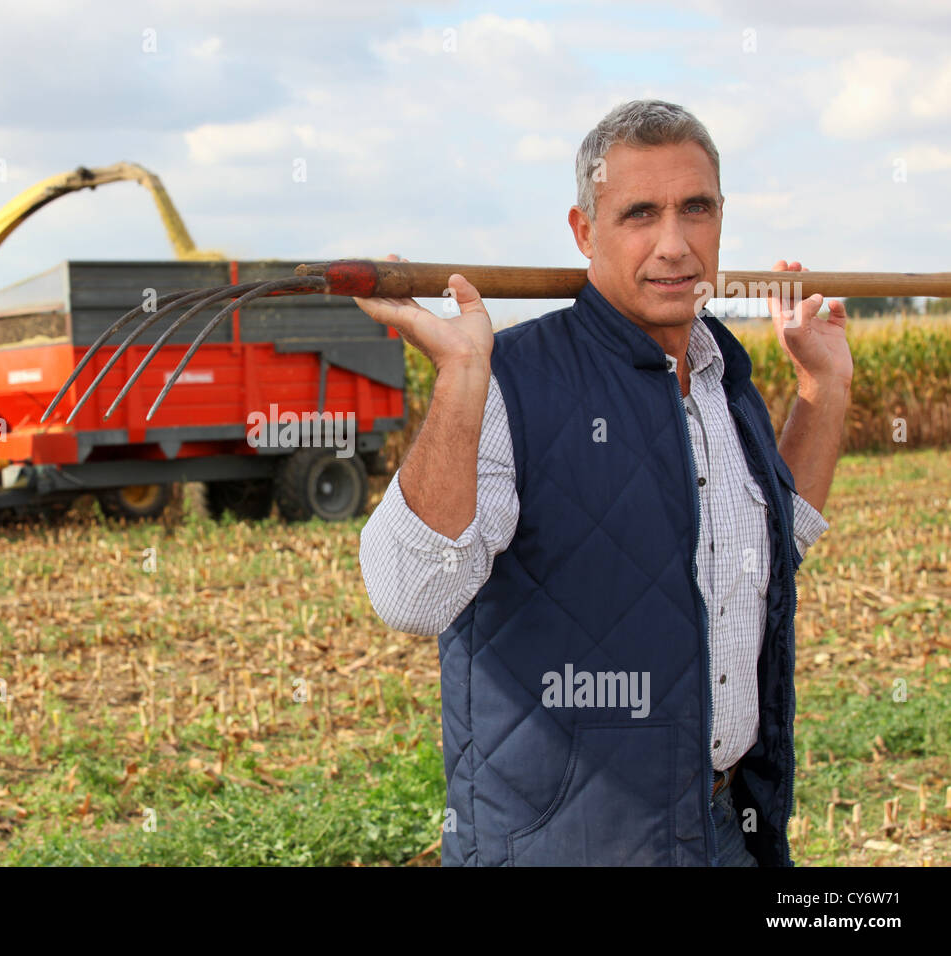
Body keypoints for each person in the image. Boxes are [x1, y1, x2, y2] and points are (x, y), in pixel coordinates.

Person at [355, 99, 852, 866]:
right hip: (575, 844)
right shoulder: (511, 383)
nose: (675, 245)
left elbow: (772, 546)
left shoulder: (722, 374)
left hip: (726, 825)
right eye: (639, 214)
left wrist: (824, 387)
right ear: (584, 232)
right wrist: (460, 378)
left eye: (696, 209)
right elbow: (409, 597)